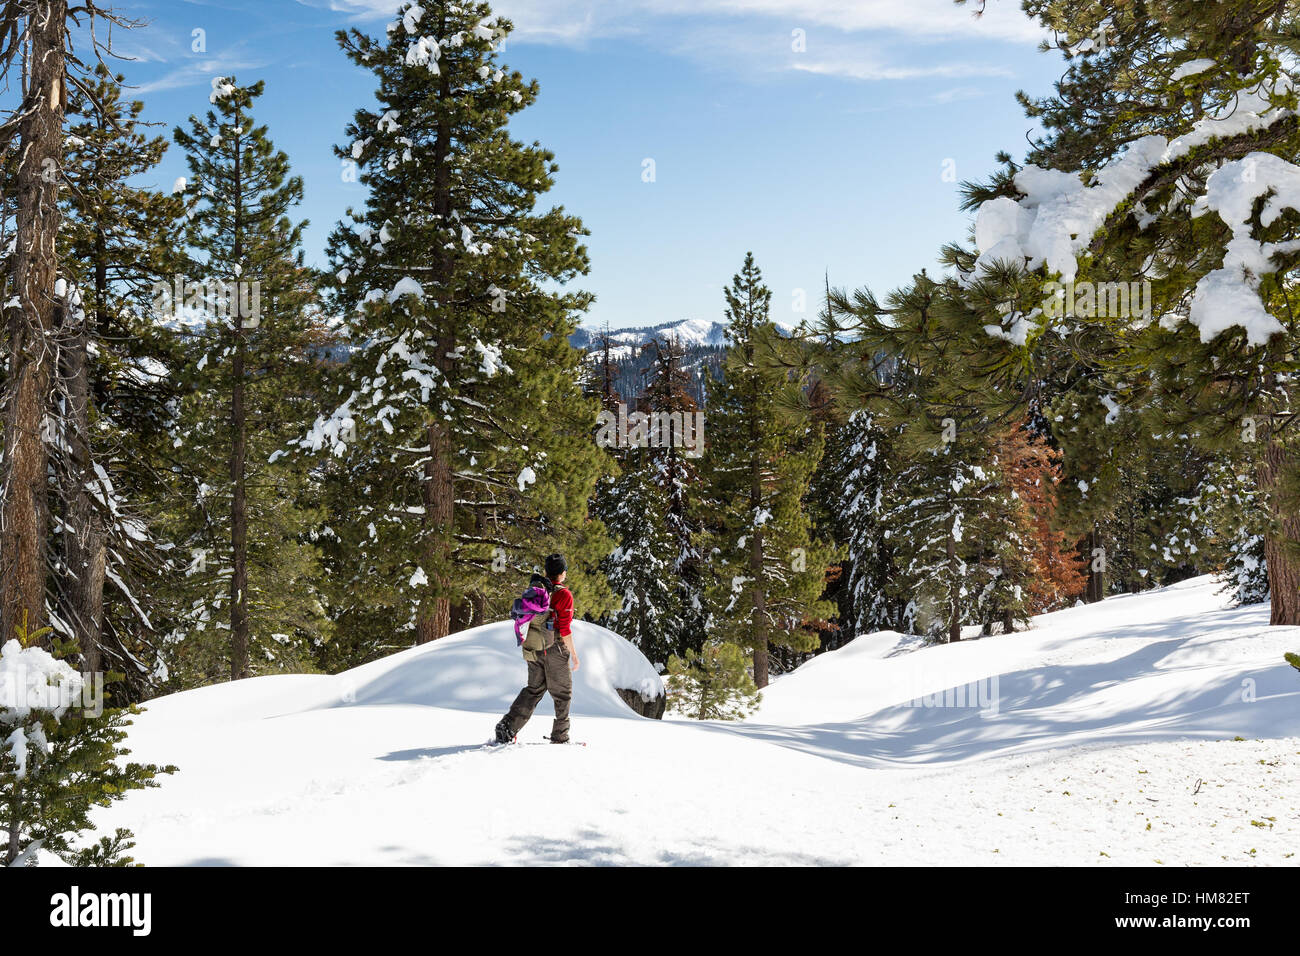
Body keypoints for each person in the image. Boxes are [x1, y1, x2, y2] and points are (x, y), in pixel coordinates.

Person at [495, 553, 580, 744]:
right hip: (555, 648)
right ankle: (560, 736)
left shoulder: (536, 591)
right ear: (563, 573)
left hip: (533, 646)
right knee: (562, 693)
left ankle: (507, 726)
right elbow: (565, 629)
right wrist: (574, 655)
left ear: (546, 572)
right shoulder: (563, 594)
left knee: (534, 689)